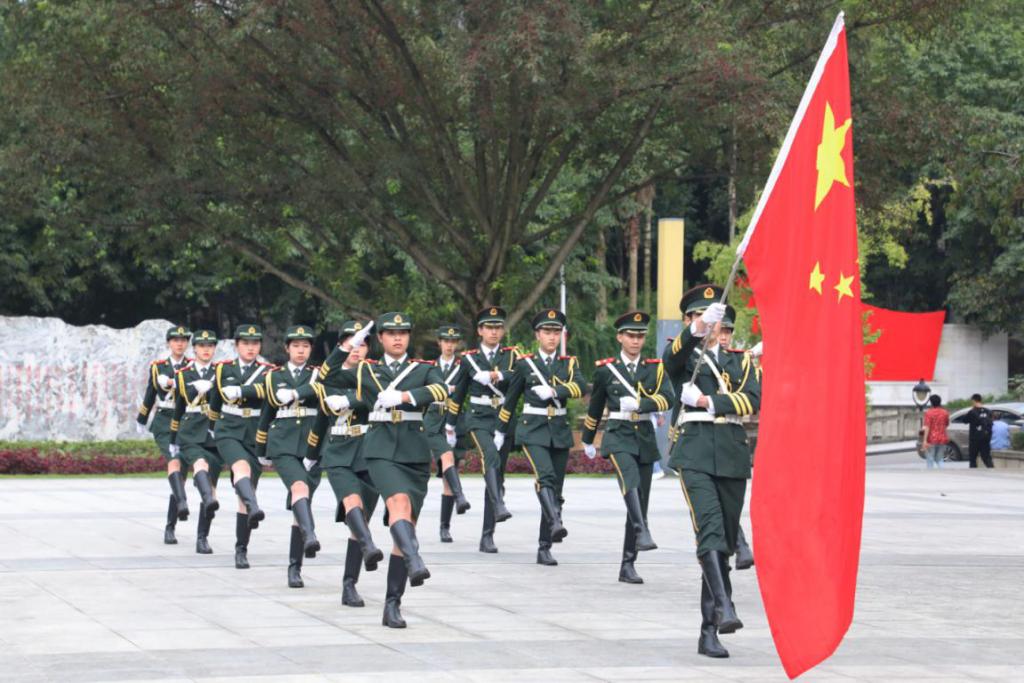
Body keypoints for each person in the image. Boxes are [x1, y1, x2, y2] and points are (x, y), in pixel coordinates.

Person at [311, 312, 448, 628]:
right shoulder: (365, 371)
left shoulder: (423, 369)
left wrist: (405, 396)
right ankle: (414, 559)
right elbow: (326, 378)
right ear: (381, 339)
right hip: (380, 451)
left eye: (403, 333)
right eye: (391, 333)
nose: (398, 338)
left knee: (407, 525)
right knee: (398, 503)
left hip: (414, 452)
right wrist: (346, 347)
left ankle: (392, 604)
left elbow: (442, 391)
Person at [663, 285, 761, 659]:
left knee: (723, 543)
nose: (710, 326)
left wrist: (707, 400)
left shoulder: (740, 362)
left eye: (714, 320)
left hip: (732, 453)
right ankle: (724, 606)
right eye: (697, 317)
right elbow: (671, 357)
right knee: (710, 531)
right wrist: (698, 328)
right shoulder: (684, 357)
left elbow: (753, 399)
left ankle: (709, 630)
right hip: (695, 452)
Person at [581, 311, 674, 584]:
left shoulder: (654, 368)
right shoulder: (606, 370)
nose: (635, 341)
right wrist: (587, 438)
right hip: (618, 435)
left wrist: (643, 405)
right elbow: (595, 406)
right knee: (629, 479)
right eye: (631, 335)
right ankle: (642, 530)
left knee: (640, 501)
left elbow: (668, 397)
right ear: (620, 337)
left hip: (643, 436)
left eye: (640, 336)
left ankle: (628, 564)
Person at [495, 308, 587, 567]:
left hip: (558, 429)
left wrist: (556, 391)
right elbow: (510, 399)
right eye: (547, 332)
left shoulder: (569, 364)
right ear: (537, 335)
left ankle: (544, 546)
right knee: (545, 477)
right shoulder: (525, 364)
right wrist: (500, 430)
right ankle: (555, 522)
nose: (552, 337)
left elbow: (580, 386)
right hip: (532, 429)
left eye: (556, 332)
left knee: (556, 489)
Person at [303, 320, 382, 607]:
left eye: (362, 344)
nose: (357, 349)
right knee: (352, 505)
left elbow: (371, 397)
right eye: (351, 344)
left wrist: (349, 400)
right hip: (338, 451)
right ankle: (366, 550)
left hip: (368, 449)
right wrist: (312, 454)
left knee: (360, 520)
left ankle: (350, 582)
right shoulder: (331, 377)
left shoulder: (374, 374)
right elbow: (321, 416)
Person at [446, 306, 519, 553]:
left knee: (497, 475)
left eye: (498, 327)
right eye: (489, 327)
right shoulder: (469, 359)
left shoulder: (511, 356)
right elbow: (459, 393)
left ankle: (487, 535)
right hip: (479, 418)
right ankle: (499, 505)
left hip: (503, 418)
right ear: (480, 330)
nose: (494, 332)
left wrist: (498, 375)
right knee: (490, 456)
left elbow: (519, 376)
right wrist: (450, 424)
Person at [255, 325, 323, 587]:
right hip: (283, 442)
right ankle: (310, 535)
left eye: (305, 346)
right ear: (287, 348)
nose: (301, 350)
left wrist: (296, 393)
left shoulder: (318, 374)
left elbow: (318, 391)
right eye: (296, 346)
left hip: (311, 444)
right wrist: (261, 449)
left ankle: (296, 565)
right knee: (299, 488)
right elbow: (267, 411)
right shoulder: (274, 376)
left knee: (301, 502)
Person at [207, 324, 272, 569]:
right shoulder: (224, 369)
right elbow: (215, 400)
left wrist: (242, 390)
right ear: (237, 345)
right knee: (241, 467)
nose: (250, 347)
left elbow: (267, 393)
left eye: (255, 343)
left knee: (246, 494)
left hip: (255, 432)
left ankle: (241, 548)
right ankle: (254, 505)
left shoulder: (268, 372)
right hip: (229, 429)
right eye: (245, 343)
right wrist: (212, 427)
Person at [168, 329, 224, 554]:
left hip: (213, 432)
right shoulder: (183, 374)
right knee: (200, 465)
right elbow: (181, 406)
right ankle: (174, 524)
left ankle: (202, 537)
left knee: (211, 488)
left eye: (210, 346)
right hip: (191, 431)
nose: (206, 350)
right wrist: (173, 437)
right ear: (195, 349)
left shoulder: (221, 372)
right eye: (202, 346)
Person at [136, 325, 193, 544]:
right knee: (174, 461)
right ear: (169, 343)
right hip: (164, 421)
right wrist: (142, 418)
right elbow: (151, 393)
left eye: (183, 340)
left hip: (186, 420)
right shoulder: (158, 366)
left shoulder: (193, 366)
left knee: (182, 475)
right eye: (175, 340)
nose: (180, 344)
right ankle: (181, 503)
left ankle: (171, 524)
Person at [426, 324, 471, 543]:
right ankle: (460, 496)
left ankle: (445, 527)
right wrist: (448, 389)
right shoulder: (430, 367)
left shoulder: (463, 366)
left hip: (455, 420)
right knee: (447, 458)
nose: (449, 345)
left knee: (448, 475)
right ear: (439, 343)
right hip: (434, 421)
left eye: (453, 342)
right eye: (446, 341)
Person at [920, 394, 950, 470]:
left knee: (930, 459)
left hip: (931, 439)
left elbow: (927, 427)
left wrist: (924, 440)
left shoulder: (929, 413)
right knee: (940, 459)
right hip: (942, 438)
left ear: (931, 403)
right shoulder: (945, 412)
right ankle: (942, 472)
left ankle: (930, 475)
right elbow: (946, 424)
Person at [965, 394, 994, 468]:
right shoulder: (988, 411)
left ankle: (973, 473)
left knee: (973, 458)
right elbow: (991, 423)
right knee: (986, 457)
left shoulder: (972, 412)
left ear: (973, 401)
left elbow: (965, 420)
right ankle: (992, 470)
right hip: (986, 437)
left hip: (974, 438)